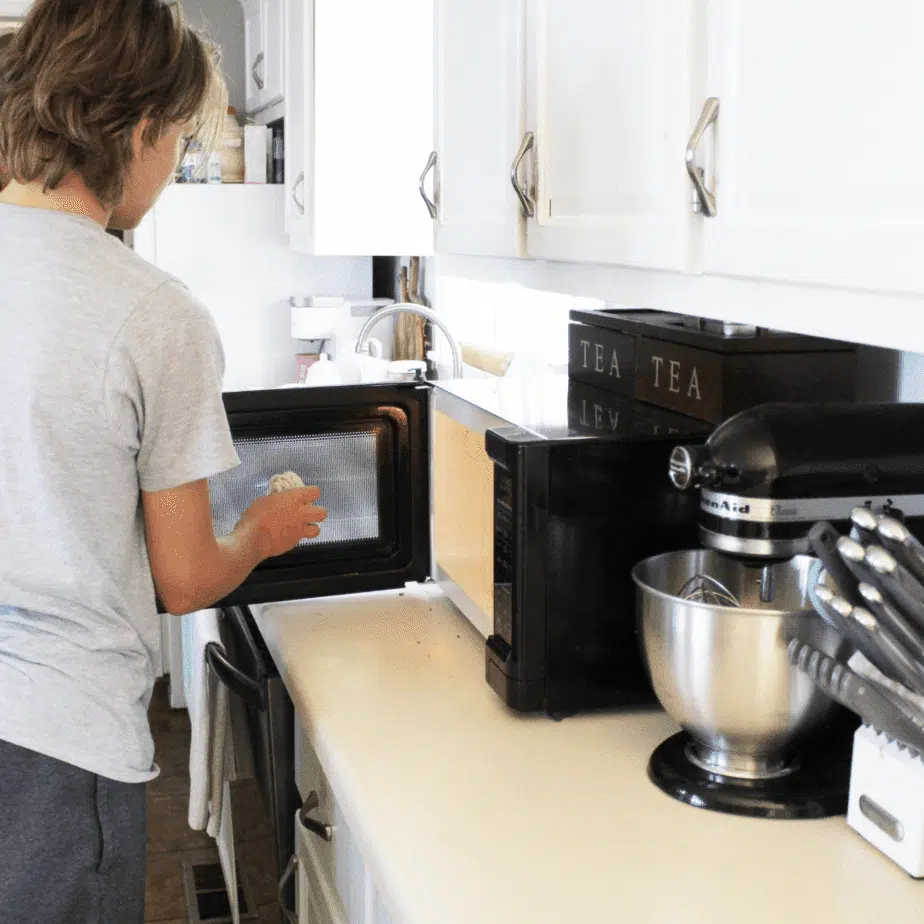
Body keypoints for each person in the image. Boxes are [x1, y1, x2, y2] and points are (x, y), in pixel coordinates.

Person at [0, 2, 327, 922]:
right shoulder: (151, 313)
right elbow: (185, 580)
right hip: (52, 753)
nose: (175, 168)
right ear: (137, 127)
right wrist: (261, 531)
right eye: (178, 140)